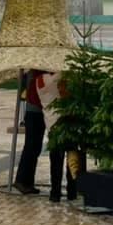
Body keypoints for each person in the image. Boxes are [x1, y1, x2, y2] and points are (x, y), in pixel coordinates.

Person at [37, 72, 77, 203]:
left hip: (51, 125)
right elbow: (62, 75)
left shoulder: (39, 82)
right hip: (64, 122)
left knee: (55, 161)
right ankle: (72, 191)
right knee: (72, 157)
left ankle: (55, 193)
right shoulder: (50, 79)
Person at [14, 70, 45, 194]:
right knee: (31, 147)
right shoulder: (35, 73)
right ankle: (21, 181)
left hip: (39, 112)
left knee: (35, 148)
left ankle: (28, 182)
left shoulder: (36, 72)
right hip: (34, 113)